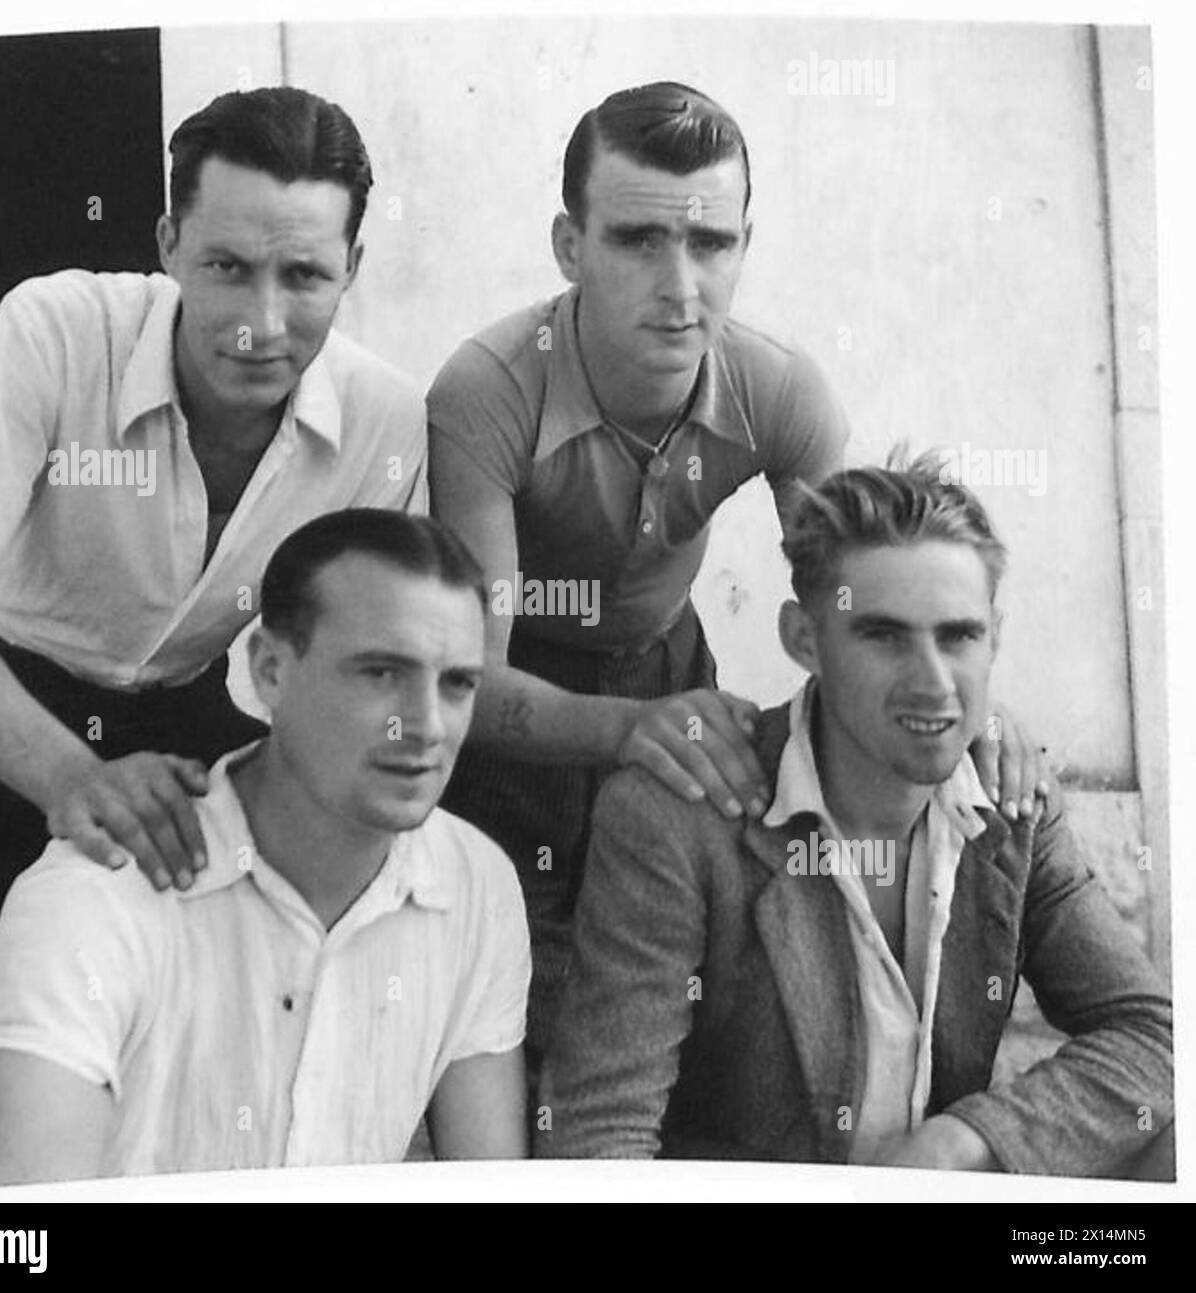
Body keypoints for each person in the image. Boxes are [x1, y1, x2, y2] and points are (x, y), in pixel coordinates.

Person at [427, 81, 1045, 1063]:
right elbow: (462, 676)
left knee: (704, 999)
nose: (680, 287)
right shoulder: (486, 391)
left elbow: (869, 604)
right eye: (636, 240)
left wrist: (970, 707)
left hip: (671, 667)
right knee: (526, 1015)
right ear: (568, 245)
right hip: (515, 705)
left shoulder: (781, 390)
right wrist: (628, 730)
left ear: (743, 247)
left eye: (710, 244)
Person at [0, 87, 427, 1124]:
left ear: (353, 271)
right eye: (227, 268)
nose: (261, 324)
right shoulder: (55, 327)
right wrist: (67, 775)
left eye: (305, 277)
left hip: (193, 715)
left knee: (185, 1064)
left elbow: (337, 657)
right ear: (166, 242)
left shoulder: (386, 416)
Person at [536, 455, 1173, 1175]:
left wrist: (967, 1139)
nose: (933, 683)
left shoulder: (1011, 802)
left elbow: (1155, 1033)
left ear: (994, 636)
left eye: (958, 636)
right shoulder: (677, 816)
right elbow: (597, 1137)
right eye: (884, 635)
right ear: (804, 639)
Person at [0, 511, 530, 1186]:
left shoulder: (479, 885)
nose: (425, 725)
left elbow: (489, 1188)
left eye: (457, 683)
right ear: (270, 669)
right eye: (381, 672)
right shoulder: (96, 894)